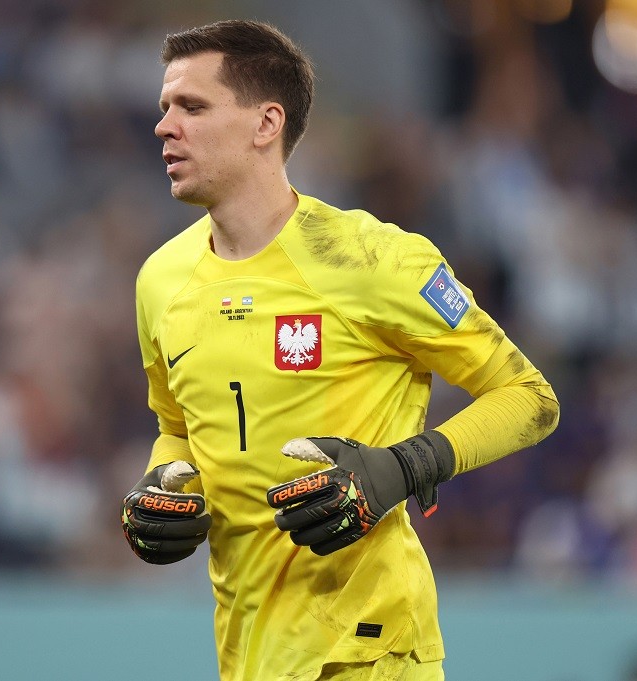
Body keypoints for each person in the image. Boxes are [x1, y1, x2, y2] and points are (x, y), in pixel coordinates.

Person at [121, 19, 559, 681]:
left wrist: (403, 467)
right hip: (249, 654)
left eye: (193, 106)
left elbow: (531, 398)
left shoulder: (373, 259)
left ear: (266, 124)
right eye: (164, 108)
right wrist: (163, 482)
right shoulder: (161, 280)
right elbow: (176, 427)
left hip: (369, 651)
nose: (165, 126)